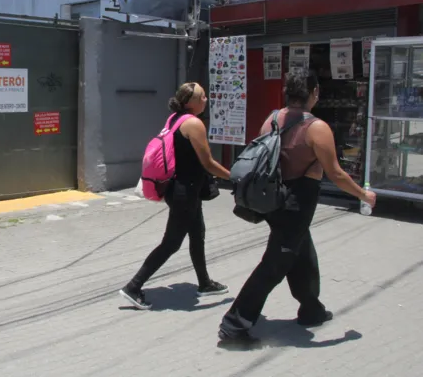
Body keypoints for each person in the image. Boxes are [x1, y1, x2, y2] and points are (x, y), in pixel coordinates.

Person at [218, 72, 377, 347]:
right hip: (295, 205)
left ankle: (311, 310)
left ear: (286, 92)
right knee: (275, 265)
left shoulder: (271, 119)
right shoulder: (317, 128)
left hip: (273, 200)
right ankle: (234, 323)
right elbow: (336, 174)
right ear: (314, 92)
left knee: (303, 255)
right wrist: (364, 195)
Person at [120, 82, 232, 310]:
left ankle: (204, 283)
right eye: (202, 97)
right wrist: (235, 177)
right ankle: (133, 287)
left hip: (180, 188)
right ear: (190, 102)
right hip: (185, 192)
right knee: (171, 243)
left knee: (197, 234)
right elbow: (208, 163)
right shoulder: (193, 123)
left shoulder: (175, 119)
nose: (206, 100)